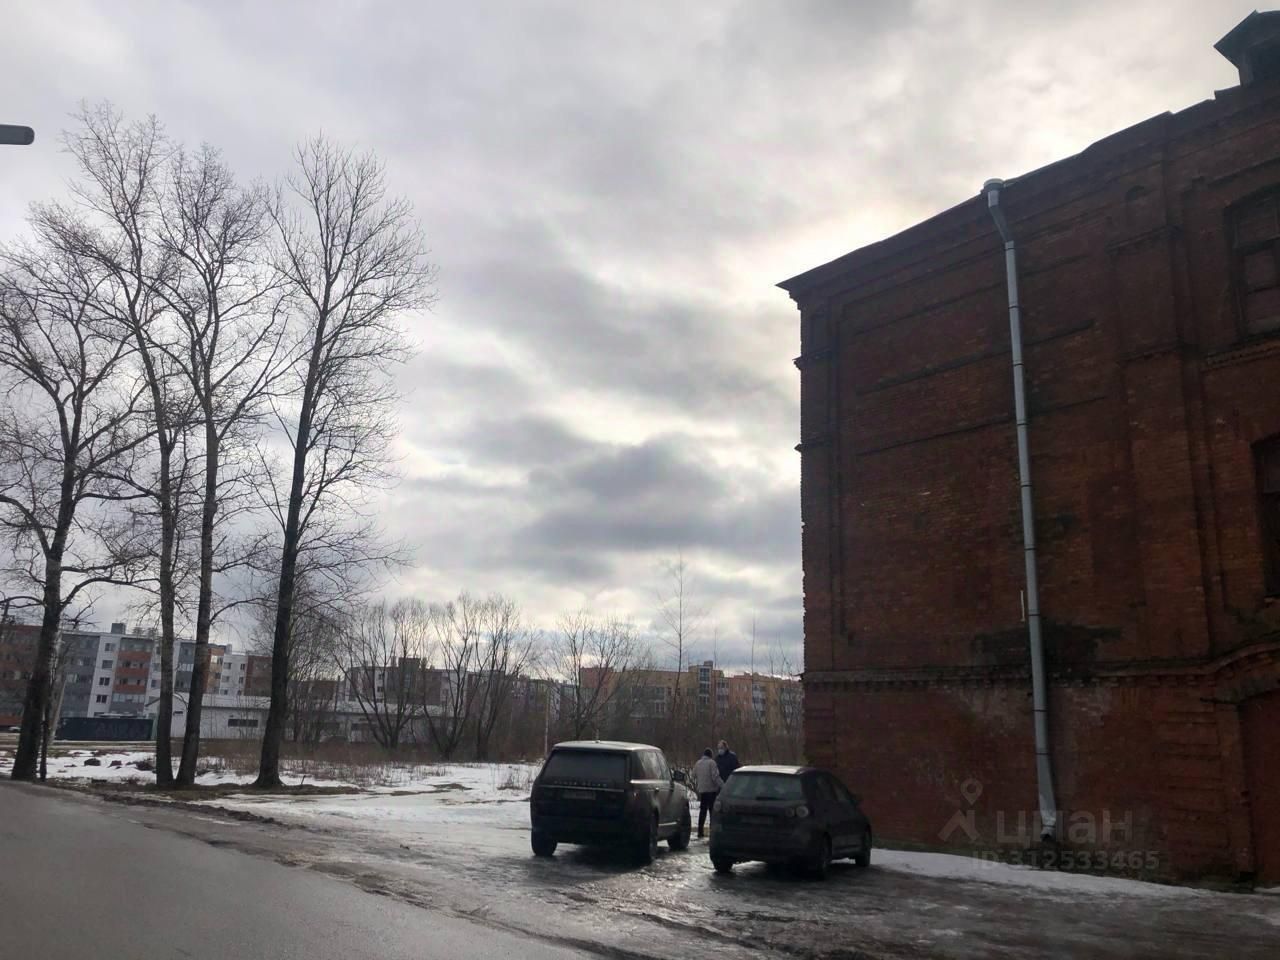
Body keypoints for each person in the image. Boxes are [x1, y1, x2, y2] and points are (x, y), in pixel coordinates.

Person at [692, 748, 723, 839]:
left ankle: (700, 831)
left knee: (703, 811)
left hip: (702, 790)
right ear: (710, 755)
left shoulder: (698, 763)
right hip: (711, 790)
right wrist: (723, 785)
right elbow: (715, 776)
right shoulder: (712, 763)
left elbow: (693, 774)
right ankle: (712, 830)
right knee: (712, 811)